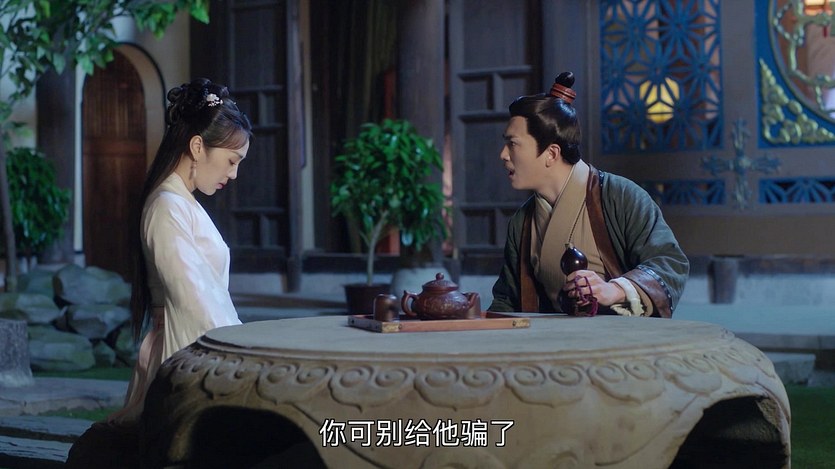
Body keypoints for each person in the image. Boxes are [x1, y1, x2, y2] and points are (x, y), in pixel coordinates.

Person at [66, 78, 252, 467]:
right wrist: (244, 352)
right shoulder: (167, 206)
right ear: (198, 146)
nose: (234, 174)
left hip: (194, 342)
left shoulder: (181, 202)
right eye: (232, 161)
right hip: (186, 350)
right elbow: (195, 299)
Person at [488, 72, 688, 318]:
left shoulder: (621, 197)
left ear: (551, 153)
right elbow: (508, 300)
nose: (503, 154)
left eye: (513, 144)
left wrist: (614, 290)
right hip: (553, 337)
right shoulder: (522, 222)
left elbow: (670, 262)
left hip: (620, 335)